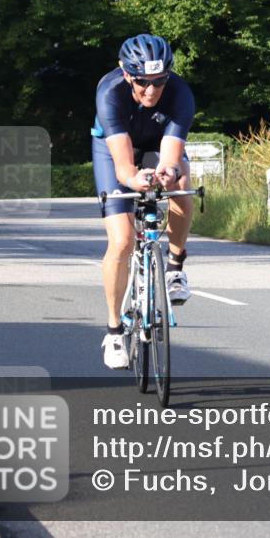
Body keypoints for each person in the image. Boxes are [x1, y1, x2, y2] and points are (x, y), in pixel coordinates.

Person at [92, 34, 195, 369]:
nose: (151, 91)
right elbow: (123, 167)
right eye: (142, 82)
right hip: (114, 148)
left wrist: (166, 171)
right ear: (126, 74)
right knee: (121, 240)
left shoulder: (180, 94)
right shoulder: (109, 92)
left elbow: (170, 155)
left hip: (157, 142)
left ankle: (176, 267)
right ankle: (113, 331)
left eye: (159, 81)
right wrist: (135, 178)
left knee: (180, 183)